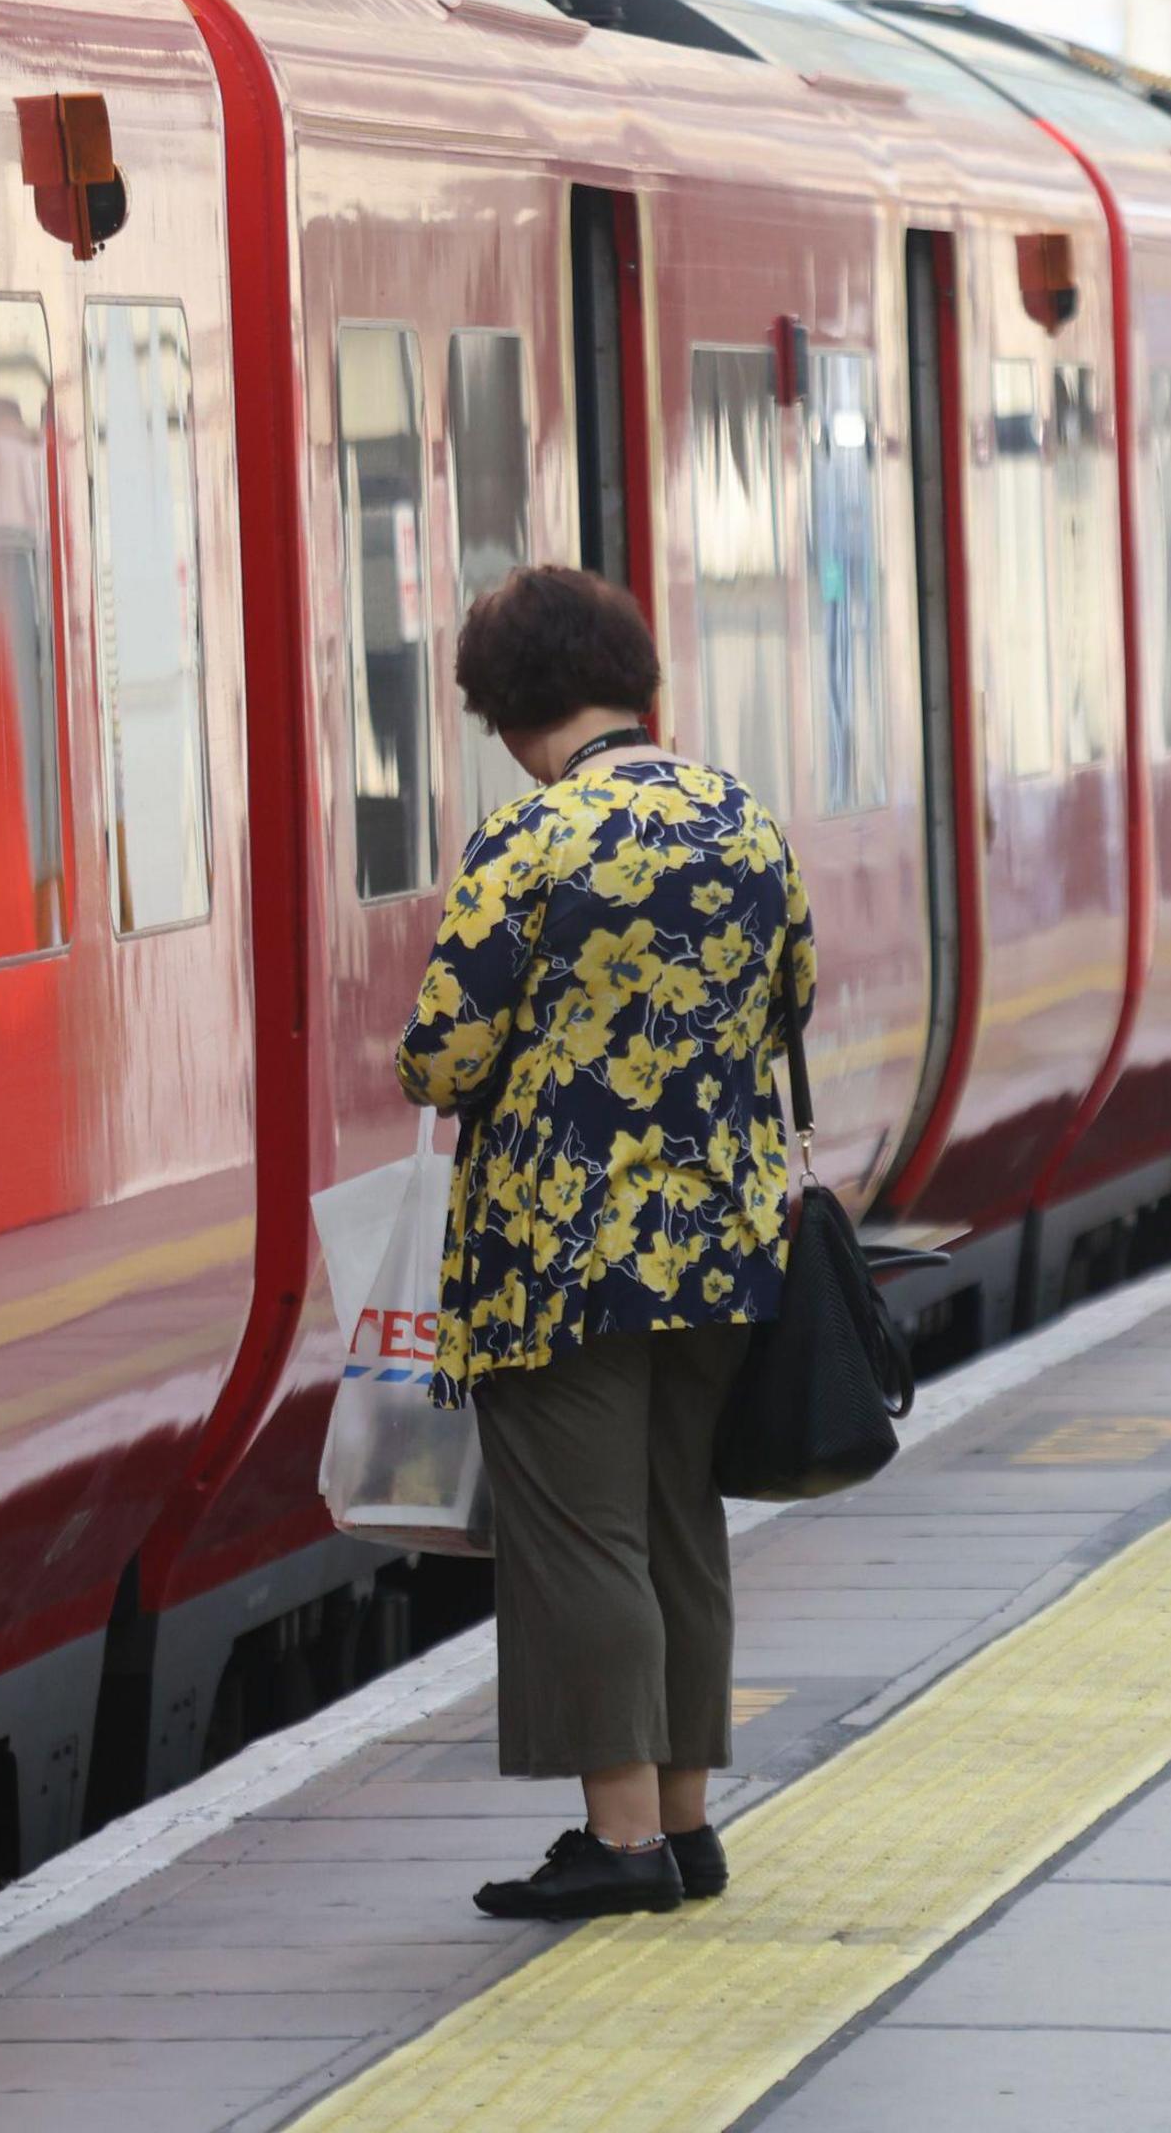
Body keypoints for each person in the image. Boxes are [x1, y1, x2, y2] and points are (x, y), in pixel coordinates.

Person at [393, 565, 817, 1921]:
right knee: (678, 1524)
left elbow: (448, 1056)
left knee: (584, 1538)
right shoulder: (740, 820)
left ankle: (621, 1840)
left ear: (514, 712)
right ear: (632, 681)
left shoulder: (531, 843)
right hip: (726, 1244)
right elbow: (791, 997)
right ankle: (688, 1827)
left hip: (562, 1261)